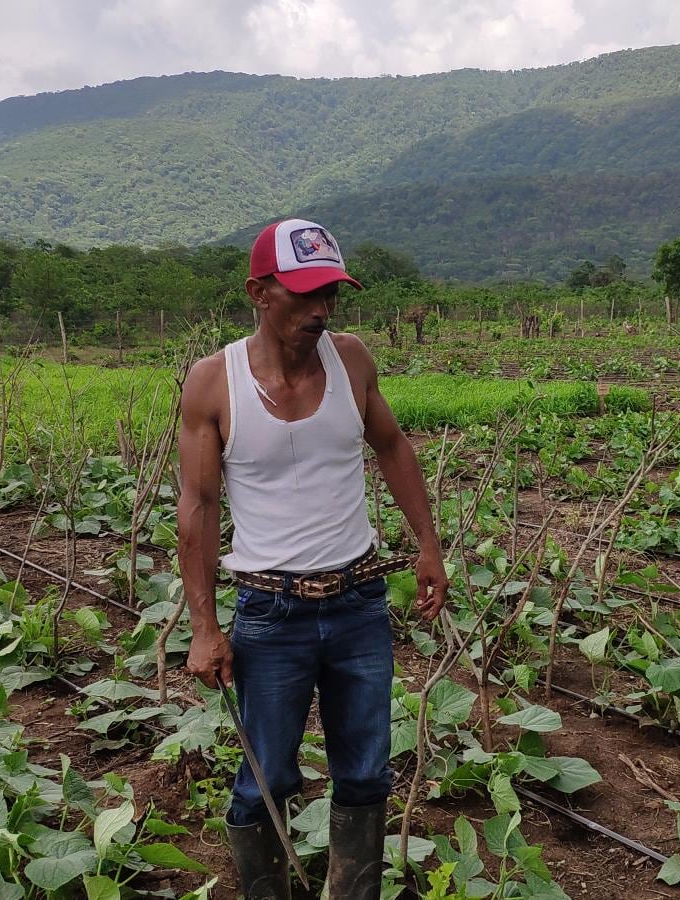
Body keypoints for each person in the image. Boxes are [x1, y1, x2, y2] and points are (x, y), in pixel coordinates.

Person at [177, 218, 449, 899]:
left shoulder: (351, 359)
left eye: (330, 293)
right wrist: (205, 626)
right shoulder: (214, 383)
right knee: (265, 775)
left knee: (364, 772)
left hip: (358, 603)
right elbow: (200, 508)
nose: (321, 310)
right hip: (271, 613)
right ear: (258, 293)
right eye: (304, 295)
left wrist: (427, 544)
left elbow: (391, 447)